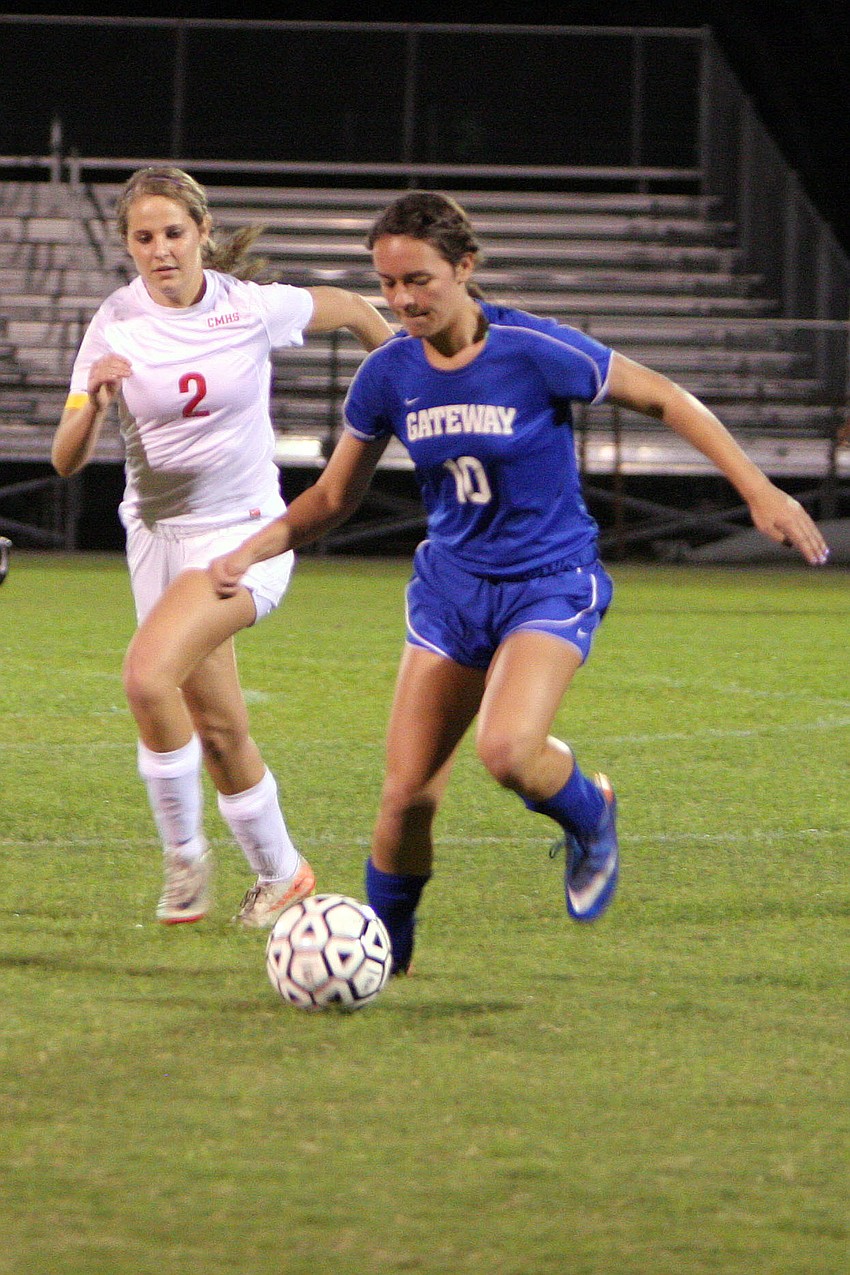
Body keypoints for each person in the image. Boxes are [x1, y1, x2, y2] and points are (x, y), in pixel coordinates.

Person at [208, 189, 830, 971]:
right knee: (406, 799)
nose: (400, 300)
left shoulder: (533, 350)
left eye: (419, 280)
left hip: (549, 580)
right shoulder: (386, 374)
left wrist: (759, 489)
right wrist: (251, 549)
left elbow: (665, 397)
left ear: (464, 268)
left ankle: (588, 812)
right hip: (452, 592)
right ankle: (381, 964)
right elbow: (335, 498)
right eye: (388, 283)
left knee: (505, 750)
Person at [52, 165, 393, 928]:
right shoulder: (114, 321)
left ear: (202, 233)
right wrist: (94, 404)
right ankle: (284, 873)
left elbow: (350, 307)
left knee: (147, 679)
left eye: (174, 233)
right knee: (217, 727)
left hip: (247, 534)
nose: (160, 250)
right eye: (144, 237)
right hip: (156, 538)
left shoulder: (251, 307)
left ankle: (184, 859)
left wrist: (402, 365)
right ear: (128, 245)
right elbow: (66, 457)